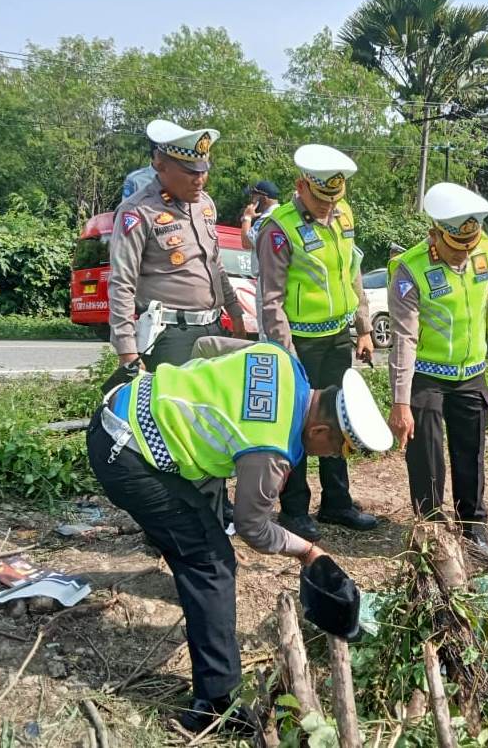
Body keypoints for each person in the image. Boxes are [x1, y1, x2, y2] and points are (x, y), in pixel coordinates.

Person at [87, 339, 392, 734]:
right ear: (319, 428)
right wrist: (308, 552)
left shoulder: (281, 359)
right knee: (211, 562)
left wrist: (192, 395)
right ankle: (214, 706)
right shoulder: (269, 450)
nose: (331, 457)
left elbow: (205, 344)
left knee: (207, 523)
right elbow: (253, 528)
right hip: (127, 455)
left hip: (126, 402)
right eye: (336, 448)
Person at [386, 183, 488, 554]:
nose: (462, 255)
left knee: (470, 451)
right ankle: (430, 526)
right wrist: (400, 403)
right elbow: (403, 340)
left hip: (471, 373)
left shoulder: (483, 254)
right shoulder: (408, 270)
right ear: (434, 234)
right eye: (455, 247)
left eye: (468, 246)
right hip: (426, 376)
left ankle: (473, 526)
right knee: (426, 453)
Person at [256, 144, 376, 541]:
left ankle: (337, 503)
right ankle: (294, 508)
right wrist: (284, 353)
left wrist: (363, 327)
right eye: (321, 198)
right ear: (301, 185)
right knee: (297, 427)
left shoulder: (343, 216)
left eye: (334, 198)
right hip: (299, 344)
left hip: (337, 338)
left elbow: (353, 273)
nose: (327, 207)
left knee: (340, 419)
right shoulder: (279, 228)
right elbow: (270, 299)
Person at [110, 119, 247, 372]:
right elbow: (122, 283)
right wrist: (127, 351)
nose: (200, 180)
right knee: (175, 408)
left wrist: (235, 313)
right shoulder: (138, 212)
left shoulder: (205, 205)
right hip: (170, 337)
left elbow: (214, 264)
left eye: (203, 170)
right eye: (190, 172)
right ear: (160, 165)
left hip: (214, 328)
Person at [240, 180, 280, 338]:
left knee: (266, 330)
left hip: (267, 281)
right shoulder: (282, 214)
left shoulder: (266, 219)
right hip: (280, 277)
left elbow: (246, 242)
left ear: (263, 198)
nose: (252, 200)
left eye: (254, 196)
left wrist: (247, 218)